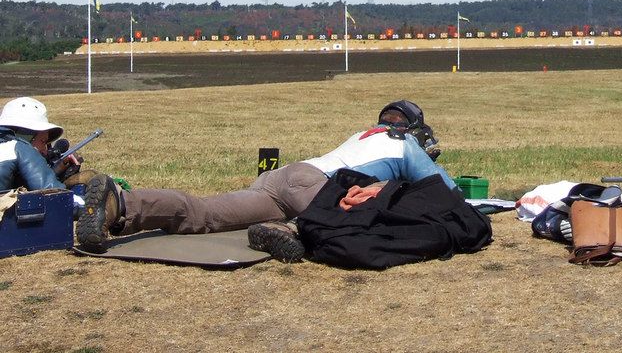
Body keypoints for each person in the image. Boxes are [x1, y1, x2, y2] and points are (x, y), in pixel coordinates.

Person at [76, 100, 458, 259]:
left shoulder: (363, 136)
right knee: (365, 219)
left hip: (284, 177)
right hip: (317, 187)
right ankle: (290, 231)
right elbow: (444, 192)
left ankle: (122, 204)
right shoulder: (405, 143)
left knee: (205, 212)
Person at [0, 97, 66, 191]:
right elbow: (52, 193)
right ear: (26, 136)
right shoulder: (18, 147)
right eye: (43, 141)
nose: (45, 151)